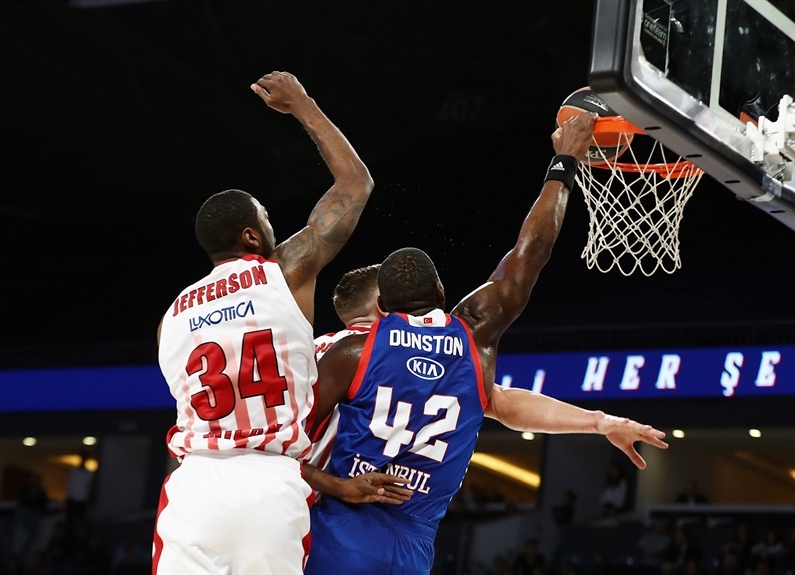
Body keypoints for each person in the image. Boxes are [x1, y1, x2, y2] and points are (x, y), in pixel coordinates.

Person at [304, 110, 669, 575]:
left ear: (383, 308)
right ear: (441, 293)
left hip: (340, 529)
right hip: (408, 541)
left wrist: (598, 423)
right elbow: (530, 252)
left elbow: (279, 445)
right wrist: (564, 162)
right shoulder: (472, 339)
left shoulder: (349, 352)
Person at [153, 70, 411, 575]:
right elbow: (355, 184)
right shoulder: (283, 272)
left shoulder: (172, 317)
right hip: (272, 484)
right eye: (267, 219)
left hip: (196, 484)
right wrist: (302, 105)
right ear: (251, 236)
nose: (274, 225)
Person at [310, 263, 384, 472]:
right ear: (383, 304)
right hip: (333, 483)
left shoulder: (312, 345)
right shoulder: (386, 352)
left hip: (285, 472)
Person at [65, 451, 96, 526]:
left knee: (79, 522)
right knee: (70, 522)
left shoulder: (89, 474)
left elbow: (90, 488)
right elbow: (70, 486)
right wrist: (67, 498)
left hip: (82, 502)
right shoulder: (74, 472)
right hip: (72, 501)